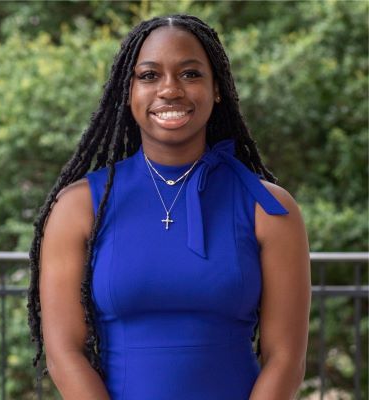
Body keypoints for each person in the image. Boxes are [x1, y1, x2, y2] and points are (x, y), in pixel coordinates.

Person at [27, 14, 311, 400]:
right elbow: (64, 354)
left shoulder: (269, 208)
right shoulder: (79, 207)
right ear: (127, 92)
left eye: (190, 74)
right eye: (149, 76)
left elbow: (286, 358)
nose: (170, 89)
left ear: (216, 89)